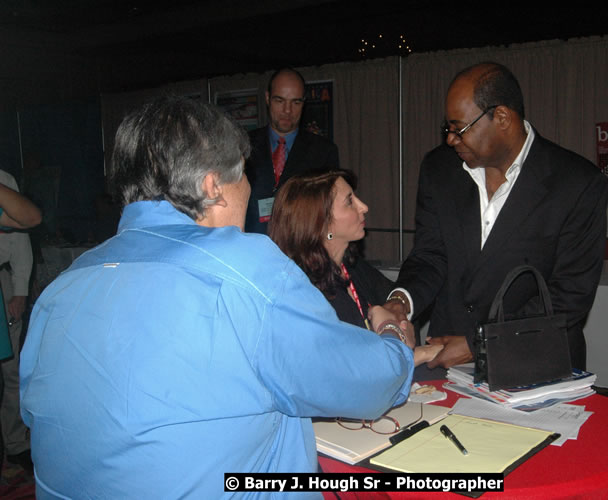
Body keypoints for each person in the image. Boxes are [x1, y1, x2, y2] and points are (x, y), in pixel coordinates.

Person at [19, 96, 414, 499]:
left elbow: (41, 416)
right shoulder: (248, 272)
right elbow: (369, 383)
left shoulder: (62, 287)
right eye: (243, 176)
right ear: (213, 187)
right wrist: (392, 335)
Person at [384, 62, 608, 375]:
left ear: (502, 118)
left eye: (459, 128)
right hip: (446, 358)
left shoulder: (577, 183)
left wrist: (479, 343)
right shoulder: (439, 170)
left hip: (533, 362)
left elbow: (569, 297)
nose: (450, 139)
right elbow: (429, 255)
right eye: (447, 129)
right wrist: (401, 300)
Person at [268, 170, 442, 365]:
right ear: (321, 223)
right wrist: (424, 353)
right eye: (350, 201)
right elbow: (351, 369)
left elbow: (400, 318)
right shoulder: (303, 292)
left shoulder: (355, 268)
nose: (364, 207)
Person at [245, 67, 340, 234]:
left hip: (301, 249)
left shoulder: (323, 152)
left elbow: (328, 211)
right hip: (252, 248)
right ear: (267, 98)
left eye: (296, 102)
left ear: (304, 102)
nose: (287, 111)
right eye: (280, 101)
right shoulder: (242, 145)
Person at [0, 169, 39, 474]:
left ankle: (15, 444)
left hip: (2, 281)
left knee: (11, 371)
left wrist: (20, 291)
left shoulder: (4, 180)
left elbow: (25, 226)